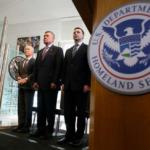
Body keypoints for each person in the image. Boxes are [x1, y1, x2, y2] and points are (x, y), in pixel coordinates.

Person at [57, 27, 91, 147]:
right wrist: (63, 84)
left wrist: (88, 83)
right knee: (68, 113)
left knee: (80, 113)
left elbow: (89, 67)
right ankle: (69, 135)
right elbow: (65, 68)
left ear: (83, 35)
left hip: (82, 86)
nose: (75, 34)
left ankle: (79, 136)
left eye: (78, 32)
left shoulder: (88, 48)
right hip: (68, 86)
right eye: (74, 32)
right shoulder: (68, 50)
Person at [31, 31, 63, 139]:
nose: (45, 37)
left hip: (51, 85)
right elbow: (36, 68)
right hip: (40, 84)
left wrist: (55, 81)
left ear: (53, 39)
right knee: (41, 108)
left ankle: (49, 131)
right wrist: (35, 81)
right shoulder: (40, 52)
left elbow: (59, 67)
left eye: (47, 36)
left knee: (49, 109)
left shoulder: (58, 50)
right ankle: (40, 129)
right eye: (44, 36)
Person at [12, 46, 35, 133]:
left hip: (29, 87)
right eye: (25, 49)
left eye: (28, 49)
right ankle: (20, 125)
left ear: (32, 52)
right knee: (20, 107)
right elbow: (17, 71)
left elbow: (34, 73)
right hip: (20, 86)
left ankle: (26, 126)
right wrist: (18, 78)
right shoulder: (21, 62)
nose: (26, 50)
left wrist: (25, 79)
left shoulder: (34, 61)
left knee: (27, 107)